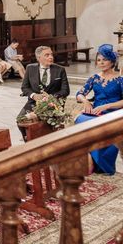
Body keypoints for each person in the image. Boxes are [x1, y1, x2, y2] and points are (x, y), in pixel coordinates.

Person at [75, 44, 123, 175]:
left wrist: (107, 106)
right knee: (81, 120)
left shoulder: (120, 80)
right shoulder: (94, 78)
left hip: (113, 113)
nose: (101, 63)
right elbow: (79, 94)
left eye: (104, 60)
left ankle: (100, 165)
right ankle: (89, 160)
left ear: (112, 61)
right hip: (95, 112)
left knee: (103, 127)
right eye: (99, 60)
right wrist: (85, 101)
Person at [16, 45, 70, 141]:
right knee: (20, 119)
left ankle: (45, 140)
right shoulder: (30, 68)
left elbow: (65, 91)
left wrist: (50, 97)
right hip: (33, 103)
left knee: (44, 124)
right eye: (47, 55)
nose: (51, 57)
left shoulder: (60, 70)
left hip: (54, 104)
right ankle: (28, 139)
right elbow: (24, 87)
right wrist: (34, 95)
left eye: (51, 54)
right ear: (39, 58)